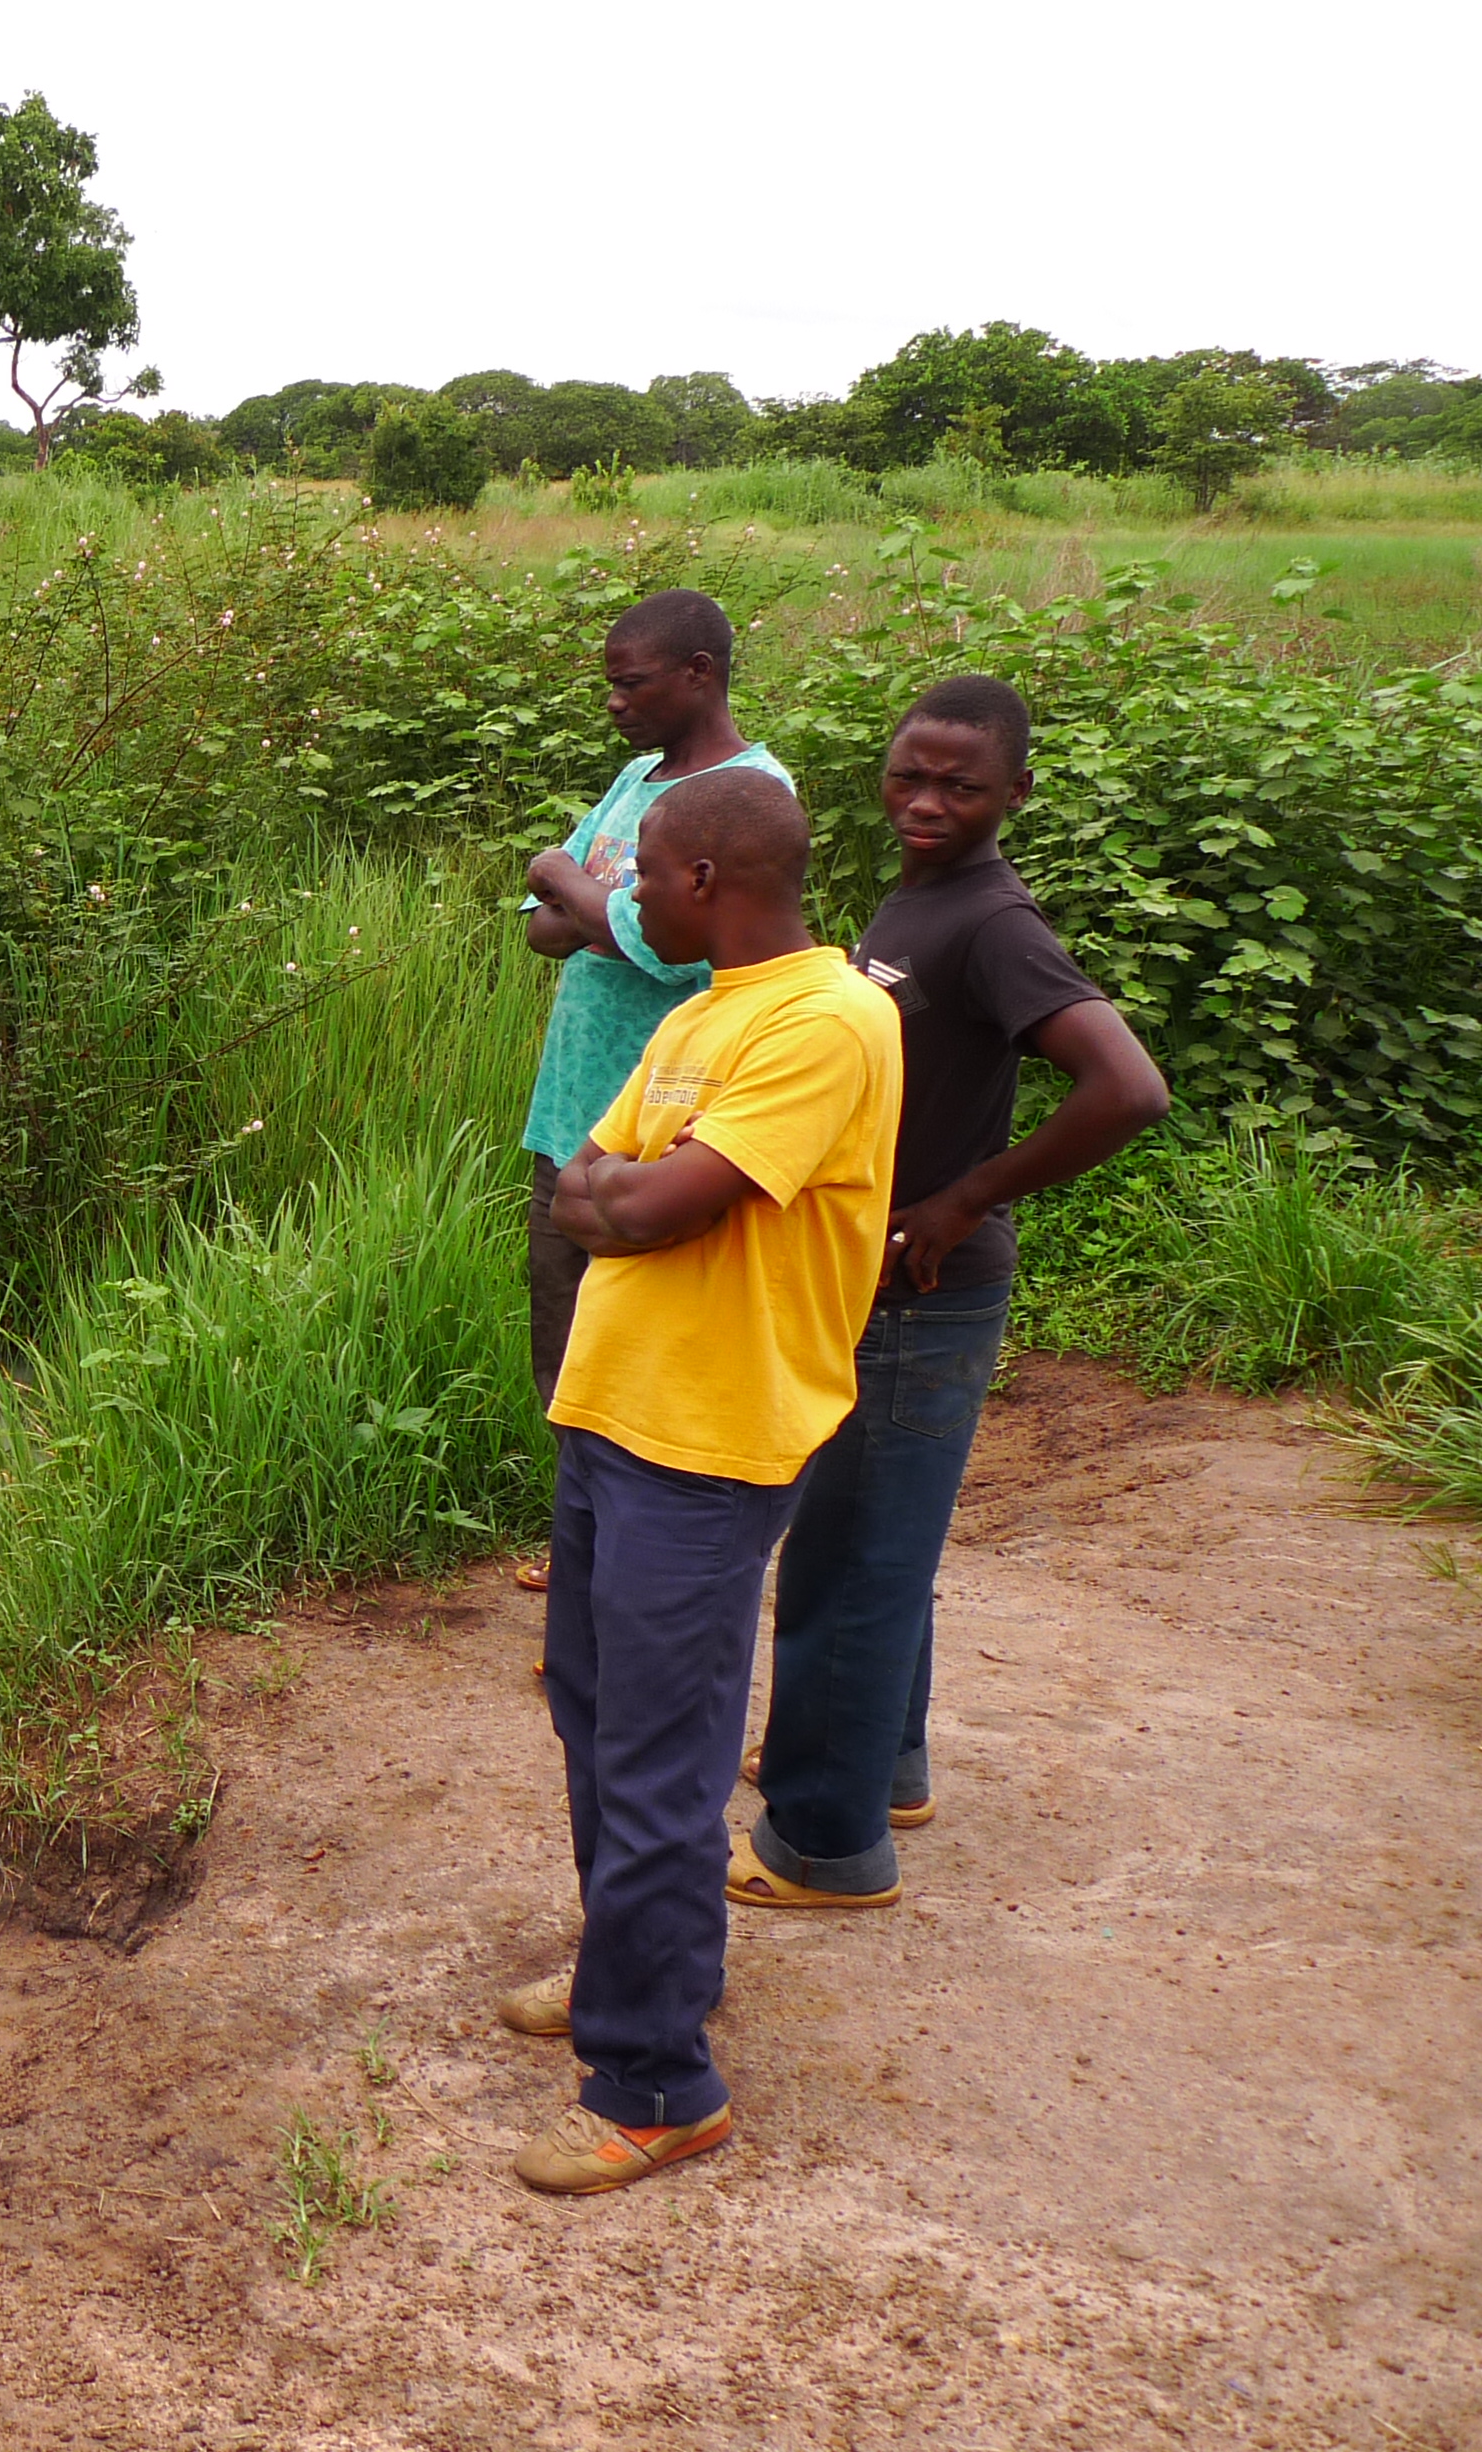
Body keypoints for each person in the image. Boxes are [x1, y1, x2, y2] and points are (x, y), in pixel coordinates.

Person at [493, 766, 901, 2197]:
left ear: (710, 882)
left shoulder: (828, 1022)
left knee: (664, 1763)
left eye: (645, 877)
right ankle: (635, 1966)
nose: (630, 900)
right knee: (598, 1724)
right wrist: (631, 1196)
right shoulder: (696, 1014)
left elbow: (648, 1204)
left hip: (708, 1438)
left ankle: (657, 2081)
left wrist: (634, 1196)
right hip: (614, 1413)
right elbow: (588, 1188)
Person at [729, 677, 1169, 1909]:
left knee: (849, 1562)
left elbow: (1126, 1090)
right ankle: (884, 1772)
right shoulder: (917, 898)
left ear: (1014, 796)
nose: (924, 802)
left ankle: (822, 1845)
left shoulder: (989, 923)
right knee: (873, 1548)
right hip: (872, 1279)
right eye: (907, 777)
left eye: (958, 787)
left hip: (922, 1292)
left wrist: (966, 1195)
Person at [512, 591, 798, 1608]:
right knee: (569, 1357)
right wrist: (586, 905)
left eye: (630, 682)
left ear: (696, 671)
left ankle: (638, 1580)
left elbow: (643, 938)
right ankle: (580, 1571)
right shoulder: (636, 778)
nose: (613, 703)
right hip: (569, 1117)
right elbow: (546, 922)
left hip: (670, 1127)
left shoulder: (750, 792)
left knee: (646, 1363)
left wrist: (569, 881)